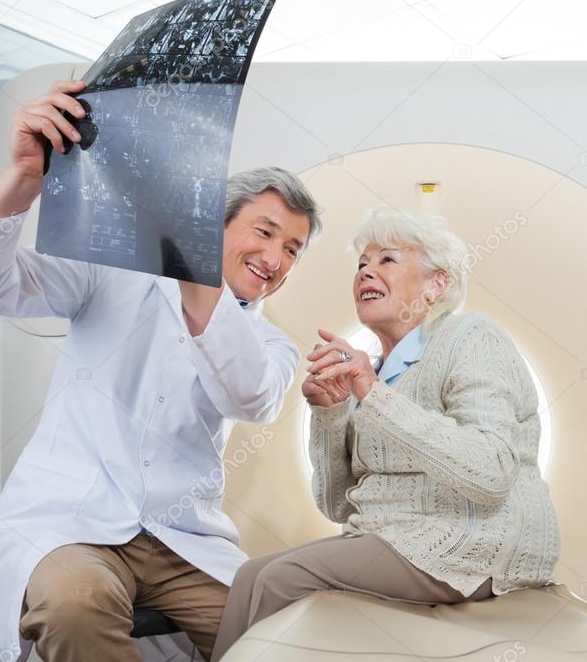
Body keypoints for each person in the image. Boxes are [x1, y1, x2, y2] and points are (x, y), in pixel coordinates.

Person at [0, 79, 322, 662]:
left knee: (275, 635)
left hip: (183, 539)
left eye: (293, 248)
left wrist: (195, 274)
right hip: (72, 525)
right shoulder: (115, 273)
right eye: (265, 232)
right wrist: (21, 183)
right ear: (214, 221)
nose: (275, 258)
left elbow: (253, 397)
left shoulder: (272, 343)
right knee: (74, 604)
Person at [210, 207, 560, 660]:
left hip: (478, 546)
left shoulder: (470, 337)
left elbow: (490, 472)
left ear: (437, 284)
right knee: (249, 574)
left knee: (280, 578)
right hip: (391, 542)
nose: (366, 273)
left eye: (387, 260)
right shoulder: (373, 373)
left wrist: (373, 395)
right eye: (361, 264)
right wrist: (332, 413)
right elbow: (339, 506)